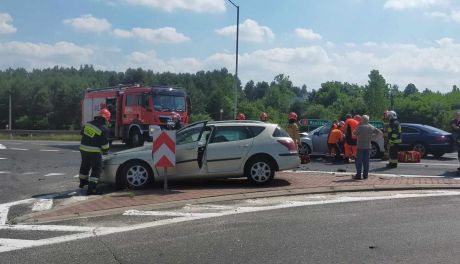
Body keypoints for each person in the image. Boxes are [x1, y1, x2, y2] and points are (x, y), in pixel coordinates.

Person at [79, 108, 110, 195]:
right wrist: (105, 152)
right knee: (96, 168)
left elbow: (82, 133)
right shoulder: (104, 129)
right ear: (106, 118)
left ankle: (82, 183)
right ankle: (92, 189)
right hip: (94, 151)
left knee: (85, 165)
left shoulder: (88, 124)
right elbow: (105, 145)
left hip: (83, 149)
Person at [353, 115, 382, 179]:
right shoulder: (371, 127)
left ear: (362, 120)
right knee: (366, 161)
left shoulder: (360, 127)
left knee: (359, 161)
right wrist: (372, 137)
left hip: (360, 146)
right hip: (368, 146)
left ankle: (358, 175)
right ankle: (365, 175)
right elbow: (379, 133)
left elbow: (354, 133)